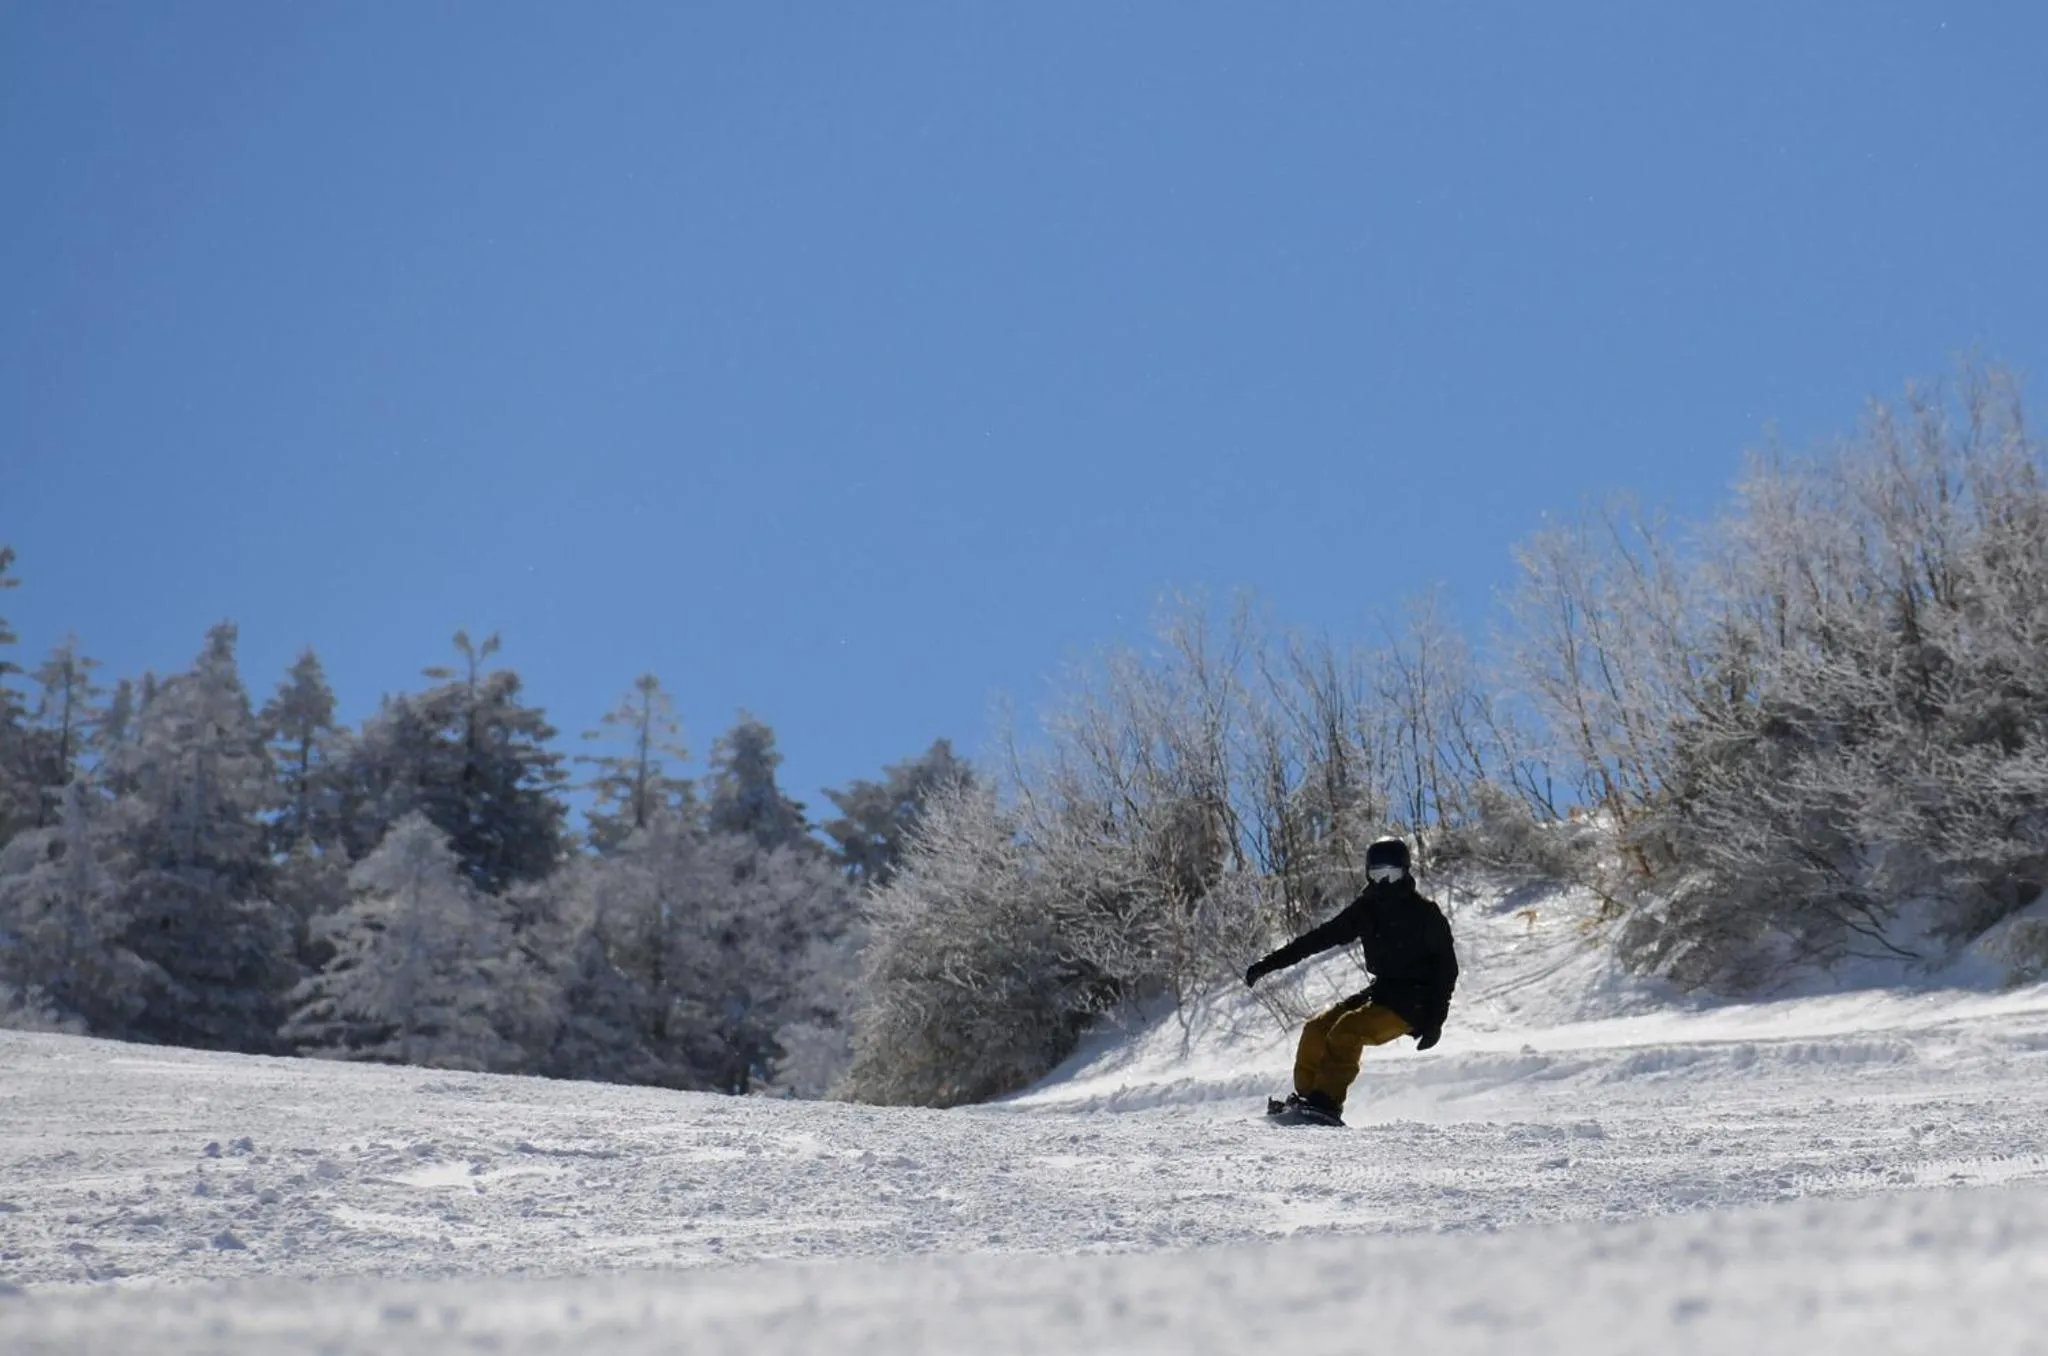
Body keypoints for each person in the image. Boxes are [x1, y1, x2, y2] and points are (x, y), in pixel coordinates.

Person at [1244, 836, 1458, 1125]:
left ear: (1405, 873)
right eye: (1377, 875)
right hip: (1382, 993)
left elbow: (1447, 968)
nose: (1383, 884)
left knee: (1347, 1030)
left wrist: (1436, 1020)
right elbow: (1318, 939)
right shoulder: (1367, 909)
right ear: (1368, 875)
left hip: (1414, 1002)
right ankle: (1310, 1099)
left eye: (1391, 875)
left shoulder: (1425, 914)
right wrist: (1267, 965)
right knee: (1317, 1029)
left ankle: (1327, 1104)